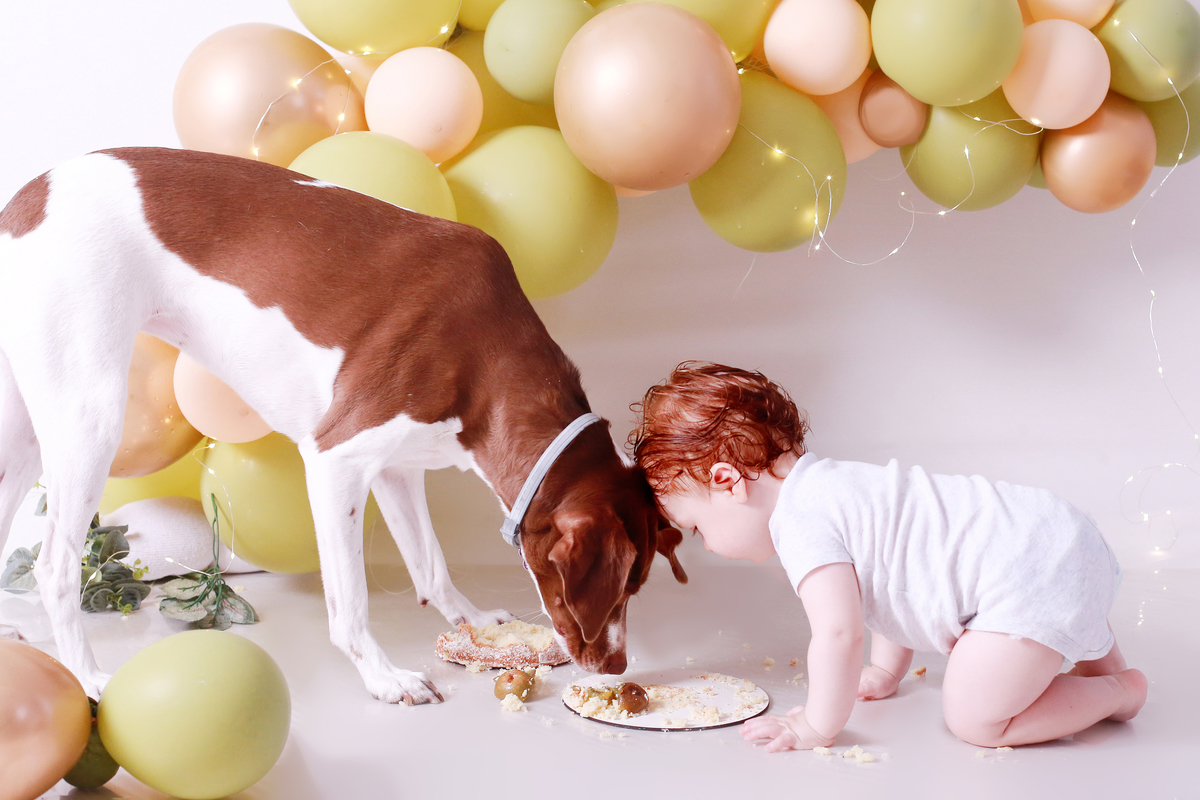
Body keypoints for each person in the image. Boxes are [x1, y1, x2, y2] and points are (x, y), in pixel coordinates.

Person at [629, 361, 1147, 751]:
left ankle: (1118, 691)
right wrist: (886, 671)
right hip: (1056, 538)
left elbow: (839, 632)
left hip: (1031, 573)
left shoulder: (800, 525)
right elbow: (894, 576)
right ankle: (1103, 663)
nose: (710, 545)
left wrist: (815, 723)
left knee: (976, 719)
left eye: (698, 528)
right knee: (1059, 612)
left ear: (728, 483)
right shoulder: (837, 485)